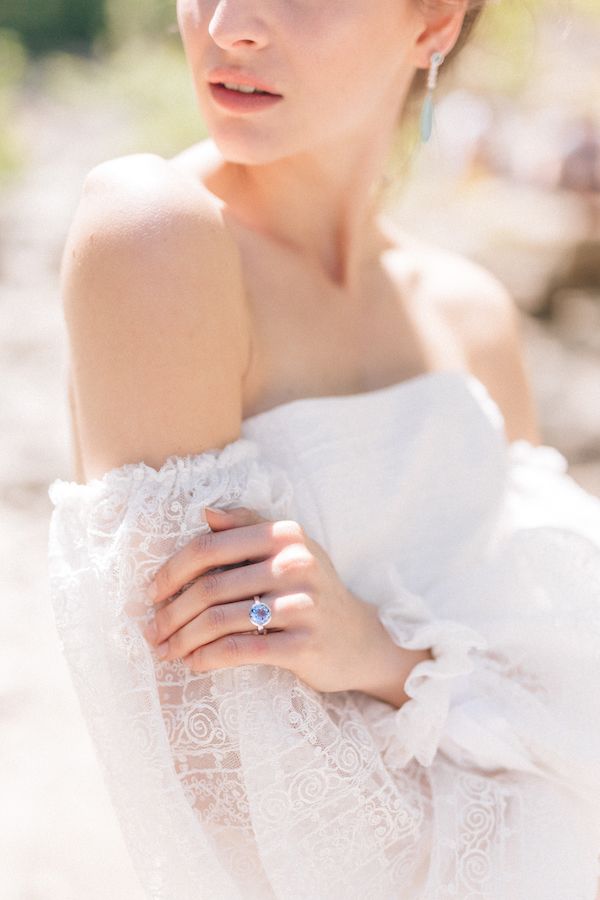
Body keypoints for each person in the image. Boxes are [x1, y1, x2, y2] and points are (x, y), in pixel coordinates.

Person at [47, 1, 600, 898]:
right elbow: (231, 812)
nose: (228, 25)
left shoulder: (473, 316)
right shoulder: (155, 237)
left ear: (435, 25)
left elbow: (579, 689)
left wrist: (387, 660)